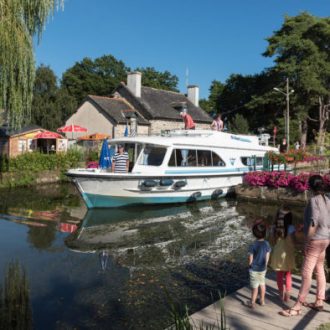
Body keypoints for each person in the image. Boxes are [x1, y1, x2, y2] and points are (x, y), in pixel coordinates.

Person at [280, 175, 330, 316]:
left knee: (306, 273)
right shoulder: (328, 200)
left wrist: (306, 243)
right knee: (319, 269)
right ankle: (319, 300)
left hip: (315, 240)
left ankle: (297, 306)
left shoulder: (314, 200)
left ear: (310, 186)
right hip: (326, 239)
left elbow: (313, 223)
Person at [270, 207, 296, 302]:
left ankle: (281, 294)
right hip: (288, 254)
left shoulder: (273, 228)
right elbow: (293, 242)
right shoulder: (291, 228)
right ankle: (288, 296)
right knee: (288, 274)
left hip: (277, 254)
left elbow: (272, 242)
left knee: (279, 275)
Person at [248, 221, 272, 308]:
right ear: (265, 233)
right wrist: (266, 264)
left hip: (254, 269)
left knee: (255, 287)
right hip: (263, 268)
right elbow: (267, 255)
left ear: (254, 234)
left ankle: (252, 302)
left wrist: (250, 264)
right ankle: (262, 301)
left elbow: (250, 257)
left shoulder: (253, 245)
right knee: (262, 285)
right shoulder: (266, 244)